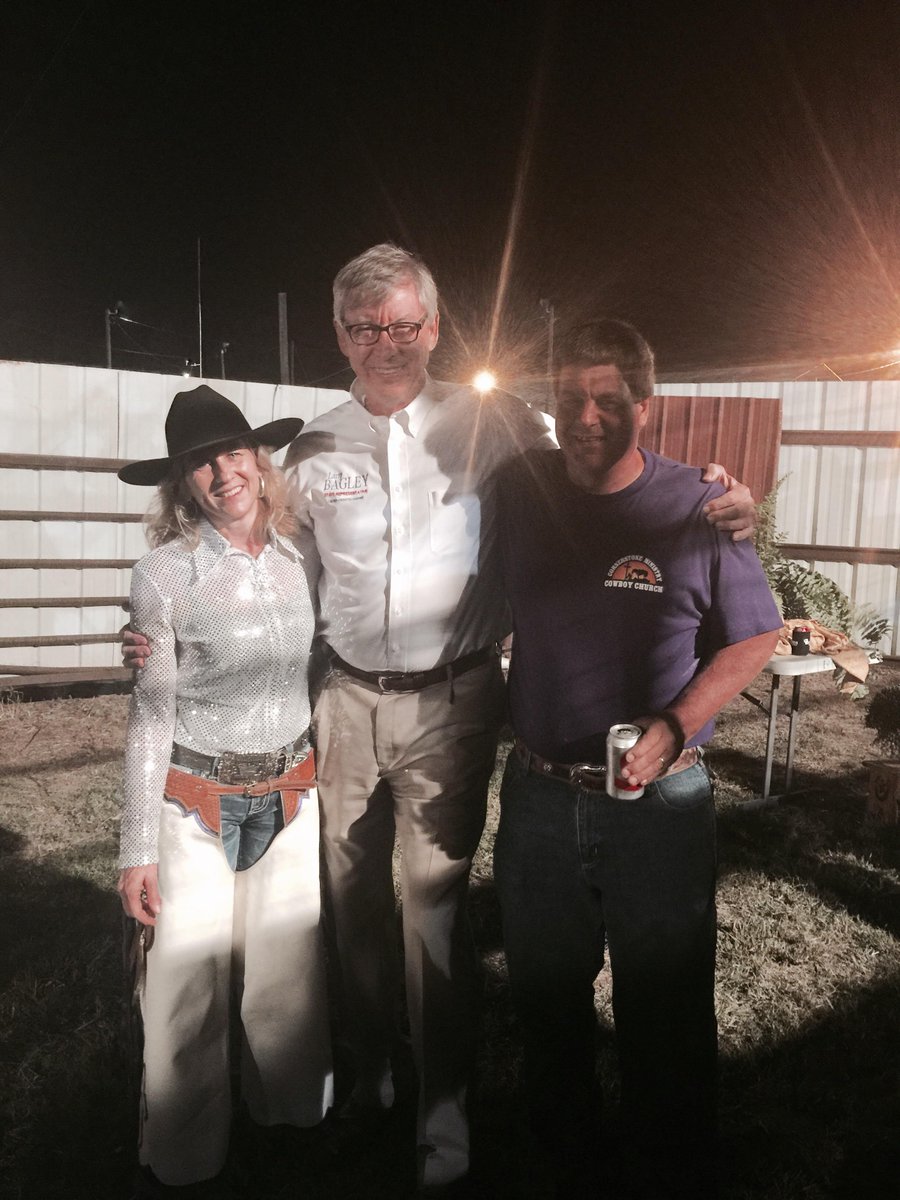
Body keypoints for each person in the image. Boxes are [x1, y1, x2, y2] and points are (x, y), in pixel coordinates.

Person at [124, 245, 757, 1196]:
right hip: (338, 703)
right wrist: (158, 622)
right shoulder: (311, 446)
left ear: (434, 327)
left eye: (407, 325)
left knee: (433, 912)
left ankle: (443, 1119)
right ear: (341, 334)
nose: (389, 344)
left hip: (454, 705)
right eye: (368, 327)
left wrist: (725, 495)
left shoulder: (496, 420)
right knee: (351, 910)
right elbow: (250, 546)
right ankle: (372, 1082)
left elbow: (602, 456)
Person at [491, 319, 782, 1200]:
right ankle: (564, 1157)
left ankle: (672, 1164)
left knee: (665, 1005)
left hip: (660, 805)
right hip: (541, 796)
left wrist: (677, 722)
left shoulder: (696, 505)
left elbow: (757, 633)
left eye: (608, 399)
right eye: (570, 397)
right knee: (547, 999)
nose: (586, 415)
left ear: (643, 407)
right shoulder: (520, 487)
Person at [116, 385, 333, 1198]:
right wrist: (138, 846)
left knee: (289, 980)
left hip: (290, 795)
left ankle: (289, 1126)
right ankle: (184, 1158)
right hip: (193, 804)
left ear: (258, 459)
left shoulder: (300, 558)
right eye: (200, 461)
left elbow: (320, 662)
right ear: (181, 483)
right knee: (183, 990)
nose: (221, 470)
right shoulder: (163, 577)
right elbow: (150, 713)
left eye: (233, 451)